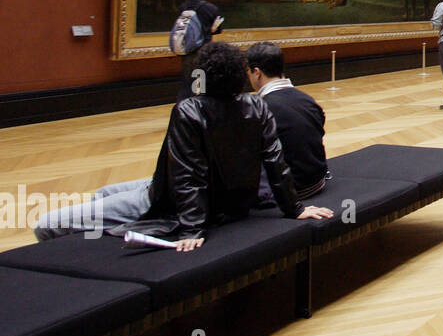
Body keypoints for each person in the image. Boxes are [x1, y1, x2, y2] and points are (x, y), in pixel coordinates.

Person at [35, 42, 332, 246]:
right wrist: (295, 208)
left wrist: (192, 228)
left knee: (46, 223)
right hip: (220, 199)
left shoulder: (190, 110)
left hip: (171, 202)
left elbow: (186, 174)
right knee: (103, 192)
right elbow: (276, 163)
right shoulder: (257, 108)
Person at [245, 41, 328, 198]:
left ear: (257, 72)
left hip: (293, 191)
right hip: (317, 180)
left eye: (248, 72)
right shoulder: (308, 100)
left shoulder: (260, 108)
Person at [176, 0, 224, 103]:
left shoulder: (183, 7)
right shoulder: (211, 8)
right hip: (203, 50)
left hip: (187, 49)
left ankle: (183, 108)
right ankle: (198, 109)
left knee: (187, 81)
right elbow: (218, 30)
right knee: (199, 84)